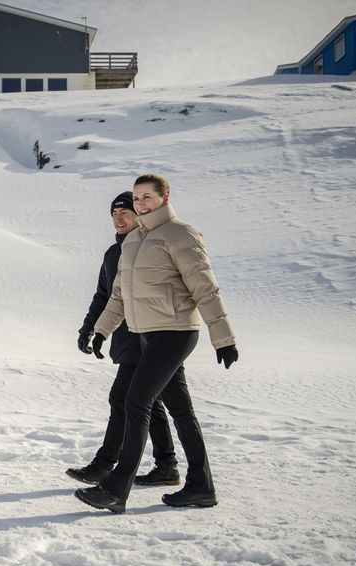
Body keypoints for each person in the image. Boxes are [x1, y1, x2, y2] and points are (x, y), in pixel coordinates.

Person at [75, 174, 239, 514]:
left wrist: (223, 338)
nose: (140, 204)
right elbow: (118, 295)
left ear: (164, 198)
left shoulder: (180, 234)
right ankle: (201, 486)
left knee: (136, 402)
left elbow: (204, 287)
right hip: (146, 334)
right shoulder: (133, 241)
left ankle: (116, 489)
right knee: (181, 411)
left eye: (146, 197)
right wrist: (102, 331)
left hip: (176, 332)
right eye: (136, 198)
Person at [67, 191, 180, 487]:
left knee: (122, 397)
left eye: (124, 213)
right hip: (125, 336)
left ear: (139, 215)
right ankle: (166, 465)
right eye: (114, 214)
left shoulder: (148, 247)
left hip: (148, 334)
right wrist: (88, 329)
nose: (118, 219)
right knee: (149, 402)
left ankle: (105, 464)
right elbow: (104, 295)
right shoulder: (112, 254)